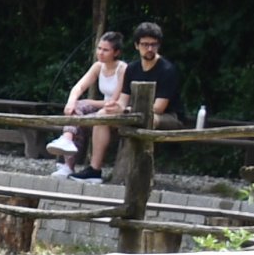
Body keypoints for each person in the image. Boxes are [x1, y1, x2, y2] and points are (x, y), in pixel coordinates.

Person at [53, 30, 127, 181]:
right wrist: (71, 101)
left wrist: (89, 102)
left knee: (82, 115)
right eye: (99, 48)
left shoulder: (123, 69)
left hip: (116, 110)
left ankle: (83, 166)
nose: (100, 53)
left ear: (116, 52)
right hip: (103, 107)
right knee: (76, 108)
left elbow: (114, 101)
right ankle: (67, 147)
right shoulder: (98, 66)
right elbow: (79, 86)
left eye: (105, 50)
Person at [128, 21, 186, 125]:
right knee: (104, 116)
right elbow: (123, 99)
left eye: (153, 44)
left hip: (169, 116)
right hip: (137, 113)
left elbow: (159, 108)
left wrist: (132, 111)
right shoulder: (131, 68)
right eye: (145, 44)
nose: (150, 49)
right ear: (136, 45)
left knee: (146, 120)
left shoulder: (167, 70)